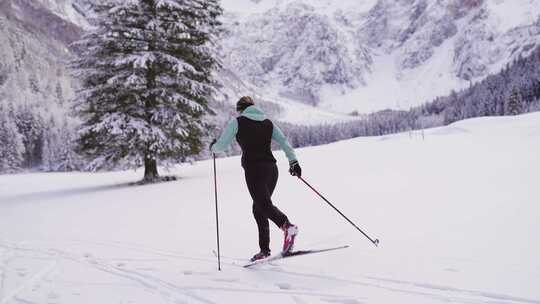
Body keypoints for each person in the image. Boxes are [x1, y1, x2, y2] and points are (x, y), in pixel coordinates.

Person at [211, 96, 302, 261]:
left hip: (254, 170)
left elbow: (221, 146)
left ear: (240, 109)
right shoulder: (268, 123)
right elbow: (284, 142)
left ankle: (287, 227)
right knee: (259, 208)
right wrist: (293, 162)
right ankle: (264, 250)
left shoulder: (238, 122)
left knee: (263, 205)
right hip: (272, 170)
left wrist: (213, 146)